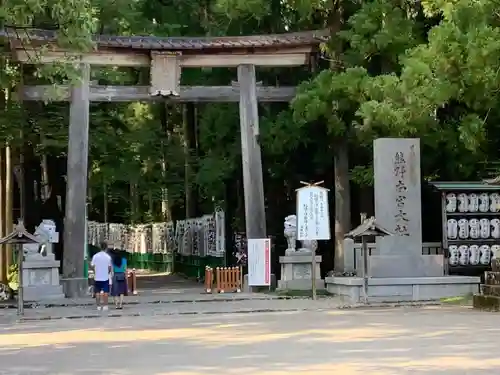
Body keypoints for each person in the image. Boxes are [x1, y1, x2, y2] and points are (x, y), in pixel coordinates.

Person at [91, 241, 112, 311]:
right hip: (105, 277)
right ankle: (105, 306)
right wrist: (107, 272)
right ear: (106, 248)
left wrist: (95, 271)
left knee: (97, 292)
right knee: (106, 292)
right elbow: (109, 268)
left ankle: (98, 306)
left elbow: (92, 266)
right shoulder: (108, 257)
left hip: (97, 277)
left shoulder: (95, 256)